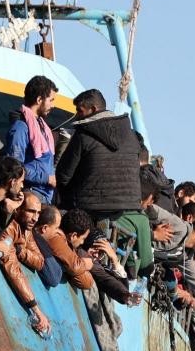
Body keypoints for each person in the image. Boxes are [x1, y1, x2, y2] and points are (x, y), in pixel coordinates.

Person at [55, 88, 151, 276]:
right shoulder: (130, 135)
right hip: (125, 205)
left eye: (80, 111)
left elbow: (64, 175)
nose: (76, 116)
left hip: (89, 204)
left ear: (92, 109)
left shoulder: (83, 133)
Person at [0, 191, 51, 336]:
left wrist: (21, 251)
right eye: (31, 212)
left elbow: (40, 262)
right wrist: (36, 309)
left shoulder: (26, 229)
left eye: (38, 213)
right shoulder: (9, 228)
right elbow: (12, 269)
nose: (35, 218)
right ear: (18, 209)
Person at [5, 75, 58, 202]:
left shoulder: (42, 128)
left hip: (45, 195)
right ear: (39, 99)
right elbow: (14, 167)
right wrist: (46, 178)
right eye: (51, 100)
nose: (53, 105)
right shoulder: (21, 128)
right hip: (31, 195)